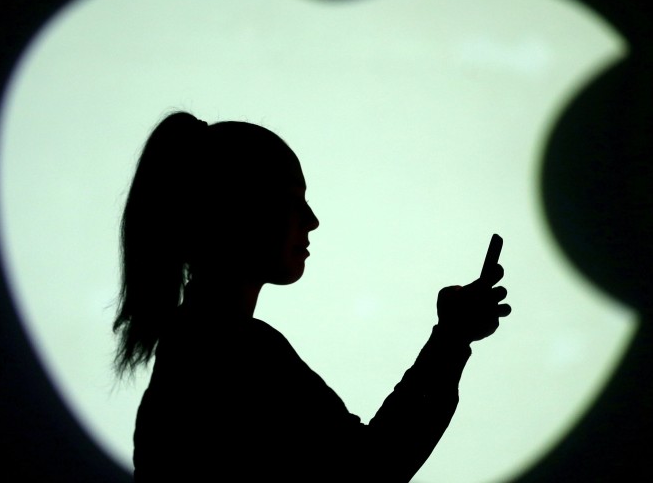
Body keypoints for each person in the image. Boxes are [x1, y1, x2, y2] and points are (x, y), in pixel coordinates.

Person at [112, 112, 510, 481]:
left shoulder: (190, 346)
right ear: (240, 211)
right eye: (292, 199)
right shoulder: (239, 352)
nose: (312, 219)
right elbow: (373, 468)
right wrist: (451, 339)